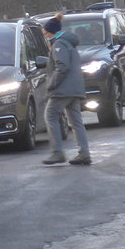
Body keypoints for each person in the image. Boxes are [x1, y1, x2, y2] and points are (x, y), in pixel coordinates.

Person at [40, 14, 92, 166]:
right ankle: (84, 153)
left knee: (50, 116)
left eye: (45, 33)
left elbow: (62, 67)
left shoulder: (59, 44)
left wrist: (51, 84)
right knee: (76, 121)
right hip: (74, 88)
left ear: (51, 32)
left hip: (62, 89)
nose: (44, 36)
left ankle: (57, 153)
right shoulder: (69, 42)